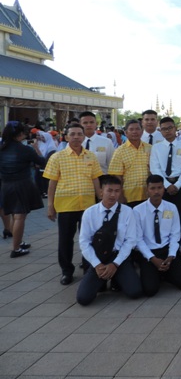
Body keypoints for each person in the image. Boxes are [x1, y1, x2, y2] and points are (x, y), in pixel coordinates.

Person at [43, 123, 103, 285]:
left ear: (84, 136)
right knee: (65, 240)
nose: (76, 137)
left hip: (88, 206)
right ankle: (66, 271)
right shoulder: (57, 157)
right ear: (66, 137)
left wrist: (100, 200)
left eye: (79, 134)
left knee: (89, 239)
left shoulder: (91, 156)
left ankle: (89, 268)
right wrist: (50, 206)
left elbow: (95, 179)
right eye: (73, 134)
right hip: (66, 206)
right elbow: (52, 183)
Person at [76, 175, 142, 305]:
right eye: (109, 190)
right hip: (98, 257)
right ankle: (103, 279)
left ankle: (116, 277)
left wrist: (115, 264)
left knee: (135, 292)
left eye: (117, 191)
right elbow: (84, 242)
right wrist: (97, 264)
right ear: (101, 192)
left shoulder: (127, 212)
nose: (113, 195)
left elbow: (130, 241)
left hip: (118, 257)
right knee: (83, 299)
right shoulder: (89, 213)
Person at [134, 175, 181, 296]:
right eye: (152, 188)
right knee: (150, 290)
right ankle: (157, 273)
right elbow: (138, 240)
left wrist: (171, 255)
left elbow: (175, 234)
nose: (156, 191)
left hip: (166, 250)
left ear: (164, 189)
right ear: (147, 190)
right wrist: (153, 259)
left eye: (159, 188)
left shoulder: (171, 207)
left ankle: (164, 273)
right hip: (149, 253)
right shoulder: (137, 211)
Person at [0, 122, 47, 257]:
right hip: (22, 184)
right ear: (20, 134)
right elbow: (42, 162)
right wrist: (36, 148)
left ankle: (18, 241)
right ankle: (16, 249)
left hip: (6, 185)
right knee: (20, 216)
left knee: (14, 214)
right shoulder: (25, 149)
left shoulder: (2, 149)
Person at [149, 117, 181, 216]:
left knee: (180, 213)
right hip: (162, 185)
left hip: (180, 185)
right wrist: (167, 185)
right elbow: (155, 168)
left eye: (170, 128)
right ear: (160, 130)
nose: (167, 131)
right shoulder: (156, 147)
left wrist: (177, 185)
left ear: (175, 128)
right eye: (164, 129)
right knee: (164, 214)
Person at [107, 119, 152, 208]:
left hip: (148, 195)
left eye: (137, 129)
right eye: (131, 129)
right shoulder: (119, 151)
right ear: (126, 132)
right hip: (129, 197)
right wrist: (120, 195)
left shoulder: (150, 148)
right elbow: (116, 176)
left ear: (142, 131)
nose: (135, 132)